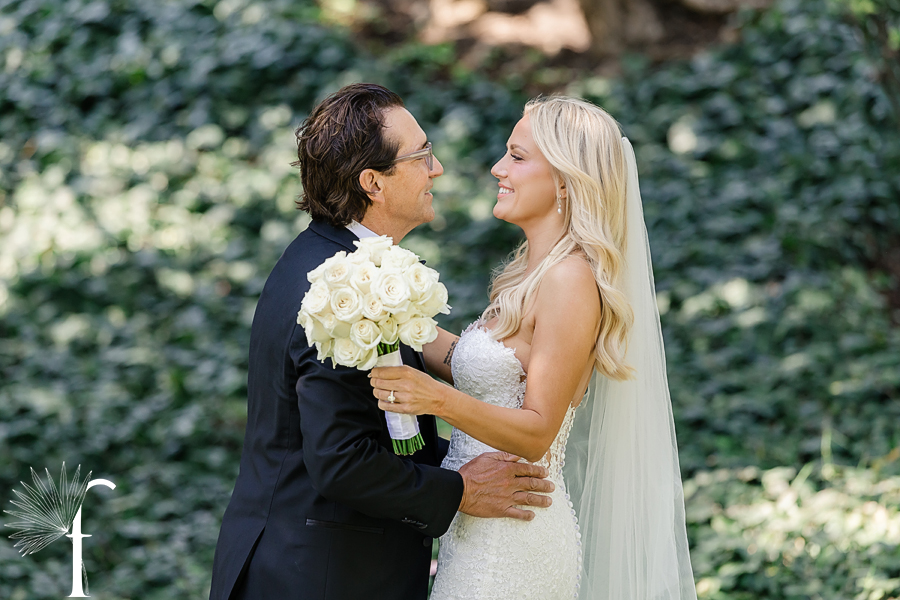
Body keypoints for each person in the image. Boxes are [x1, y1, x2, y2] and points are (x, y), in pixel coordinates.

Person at [208, 83, 556, 600]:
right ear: (373, 182)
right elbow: (342, 460)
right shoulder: (341, 289)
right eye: (422, 155)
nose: (437, 169)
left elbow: (385, 431)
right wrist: (462, 490)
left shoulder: (332, 261)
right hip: (316, 578)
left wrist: (468, 455)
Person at [370, 96, 698, 599]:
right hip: (481, 531)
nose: (498, 168)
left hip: (514, 541)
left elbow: (538, 430)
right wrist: (381, 305)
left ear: (565, 180)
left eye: (517, 156)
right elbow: (474, 366)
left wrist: (434, 399)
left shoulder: (570, 280)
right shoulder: (530, 273)